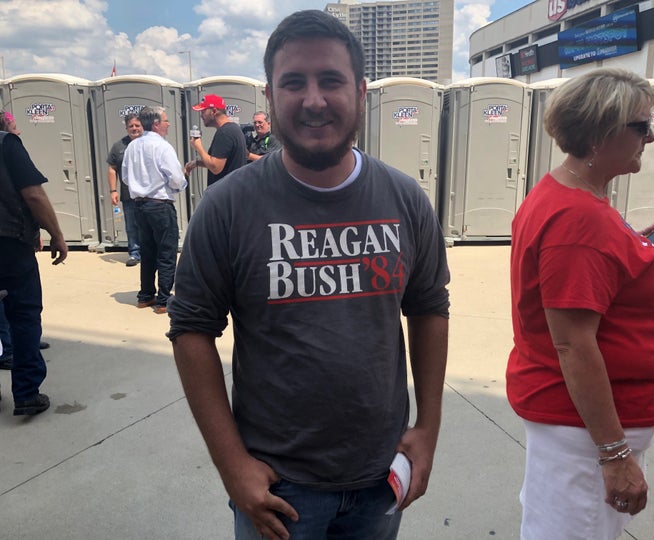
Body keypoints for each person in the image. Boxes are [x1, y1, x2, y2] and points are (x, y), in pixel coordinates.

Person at [167, 10, 450, 540]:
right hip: (278, 486)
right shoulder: (227, 206)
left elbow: (430, 306)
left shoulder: (405, 199)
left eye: (331, 80)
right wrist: (232, 466)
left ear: (361, 92)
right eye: (293, 82)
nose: (314, 99)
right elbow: (191, 329)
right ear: (270, 99)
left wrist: (428, 428)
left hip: (381, 478)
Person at [506, 68, 654, 539]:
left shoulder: (576, 200)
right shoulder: (578, 220)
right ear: (602, 132)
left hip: (579, 429)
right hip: (583, 435)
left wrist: (634, 249)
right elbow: (573, 345)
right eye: (641, 126)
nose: (650, 136)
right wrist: (614, 454)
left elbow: (591, 274)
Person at [0, 109, 68, 415]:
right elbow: (34, 194)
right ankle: (27, 393)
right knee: (24, 314)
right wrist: (56, 234)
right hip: (9, 243)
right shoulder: (7, 145)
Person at [121, 106, 186, 315]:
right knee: (166, 252)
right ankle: (164, 300)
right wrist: (179, 185)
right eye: (166, 120)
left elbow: (125, 176)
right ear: (156, 124)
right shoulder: (162, 147)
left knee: (147, 251)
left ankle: (145, 295)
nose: (168, 124)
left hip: (139, 205)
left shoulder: (132, 146)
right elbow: (176, 178)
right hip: (160, 204)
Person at [184, 94, 247, 186]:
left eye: (203, 111)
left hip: (226, 195)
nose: (201, 116)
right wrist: (197, 163)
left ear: (214, 111)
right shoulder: (233, 128)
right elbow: (222, 162)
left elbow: (215, 167)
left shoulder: (225, 133)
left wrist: (199, 147)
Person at [107, 112, 144, 266]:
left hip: (148, 194)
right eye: (131, 126)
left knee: (149, 225)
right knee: (131, 226)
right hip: (128, 195)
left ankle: (150, 252)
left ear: (142, 126)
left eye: (137, 125)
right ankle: (134, 254)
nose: (134, 128)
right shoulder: (119, 146)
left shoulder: (149, 143)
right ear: (127, 128)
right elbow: (112, 169)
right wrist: (113, 191)